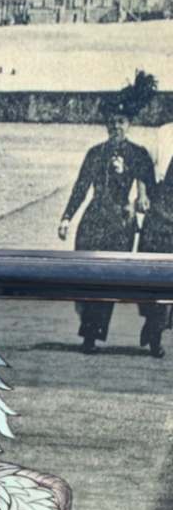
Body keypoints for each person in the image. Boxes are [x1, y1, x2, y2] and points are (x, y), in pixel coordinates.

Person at [58, 72, 157, 353]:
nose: (116, 127)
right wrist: (66, 217)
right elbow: (80, 187)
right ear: (106, 125)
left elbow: (147, 185)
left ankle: (92, 335)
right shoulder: (95, 153)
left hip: (120, 225)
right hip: (93, 220)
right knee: (86, 276)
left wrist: (141, 196)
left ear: (130, 124)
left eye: (121, 122)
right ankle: (89, 328)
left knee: (107, 280)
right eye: (111, 122)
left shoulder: (139, 154)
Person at [137, 154, 173, 357]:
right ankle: (154, 330)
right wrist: (142, 194)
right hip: (158, 223)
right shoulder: (164, 139)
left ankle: (154, 329)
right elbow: (144, 173)